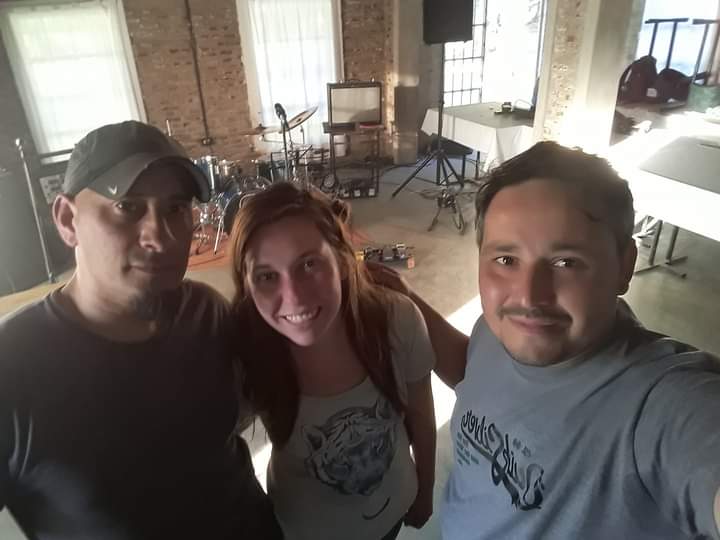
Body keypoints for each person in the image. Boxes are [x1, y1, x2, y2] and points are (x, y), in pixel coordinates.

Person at [377, 141, 720, 539]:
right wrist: (405, 297)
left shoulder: (662, 400)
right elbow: (475, 374)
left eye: (566, 262)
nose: (529, 297)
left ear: (624, 266)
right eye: (506, 260)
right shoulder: (497, 330)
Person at [0, 121, 283, 539]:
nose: (161, 237)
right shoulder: (12, 367)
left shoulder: (206, 312)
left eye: (176, 208)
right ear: (67, 220)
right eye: (128, 207)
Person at [228, 182, 437, 540]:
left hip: (393, 511)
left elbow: (421, 414)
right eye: (267, 276)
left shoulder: (397, 321)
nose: (294, 297)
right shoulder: (247, 359)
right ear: (247, 287)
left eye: (309, 264)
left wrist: (426, 489)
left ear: (342, 260)